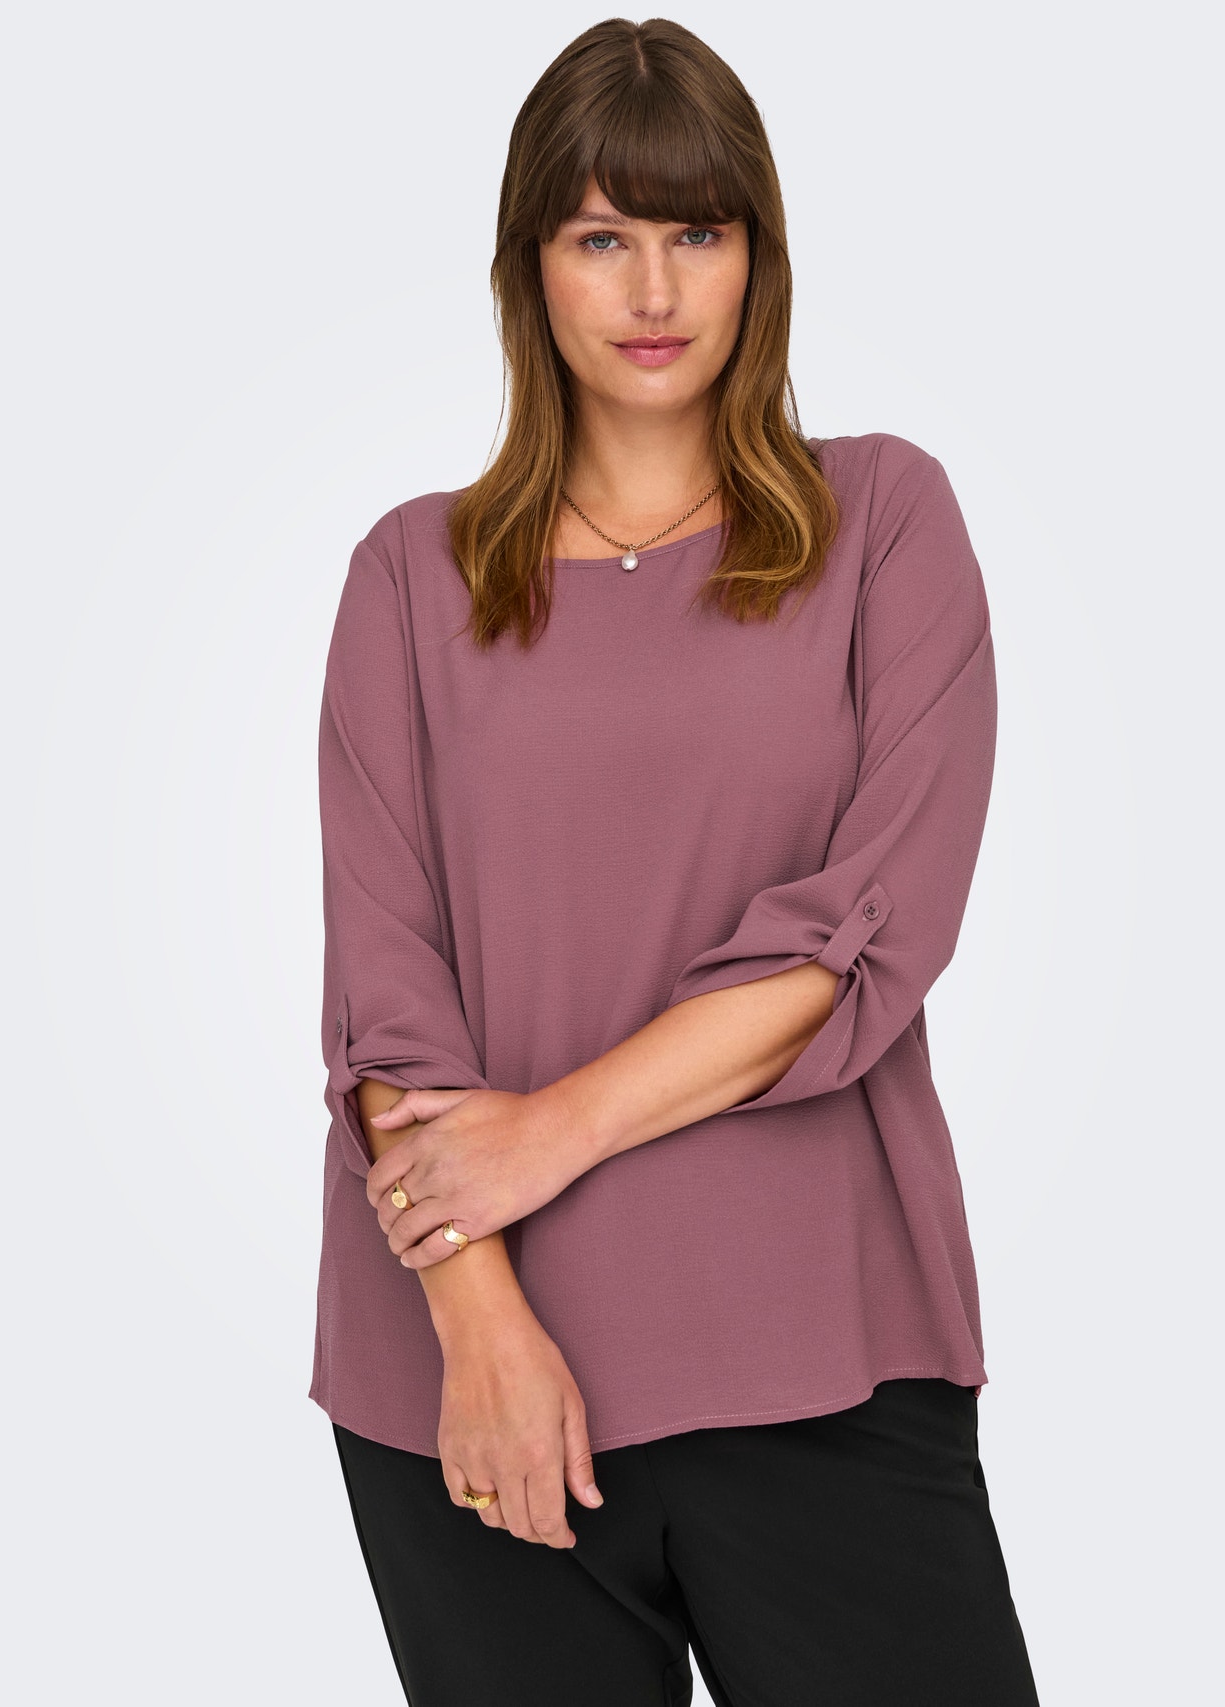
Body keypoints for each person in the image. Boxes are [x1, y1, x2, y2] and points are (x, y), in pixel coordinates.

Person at [309, 17, 1041, 1706]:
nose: (653, 290)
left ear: (757, 256)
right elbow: (384, 995)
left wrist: (548, 1132)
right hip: (472, 1384)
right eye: (601, 237)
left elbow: (865, 935)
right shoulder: (409, 578)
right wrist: (482, 1324)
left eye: (697, 231)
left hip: (821, 1348)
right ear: (531, 266)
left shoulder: (885, 524)